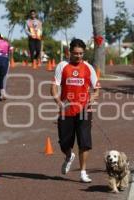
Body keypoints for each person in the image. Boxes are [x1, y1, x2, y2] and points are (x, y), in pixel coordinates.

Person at [51, 39, 100, 183]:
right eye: (75, 53)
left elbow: (96, 89)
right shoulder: (62, 66)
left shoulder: (88, 68)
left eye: (81, 53)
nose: (78, 56)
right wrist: (59, 103)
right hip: (66, 110)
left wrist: (93, 97)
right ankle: (68, 155)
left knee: (84, 141)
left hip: (84, 109)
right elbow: (53, 87)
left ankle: (83, 172)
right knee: (65, 142)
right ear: (69, 52)